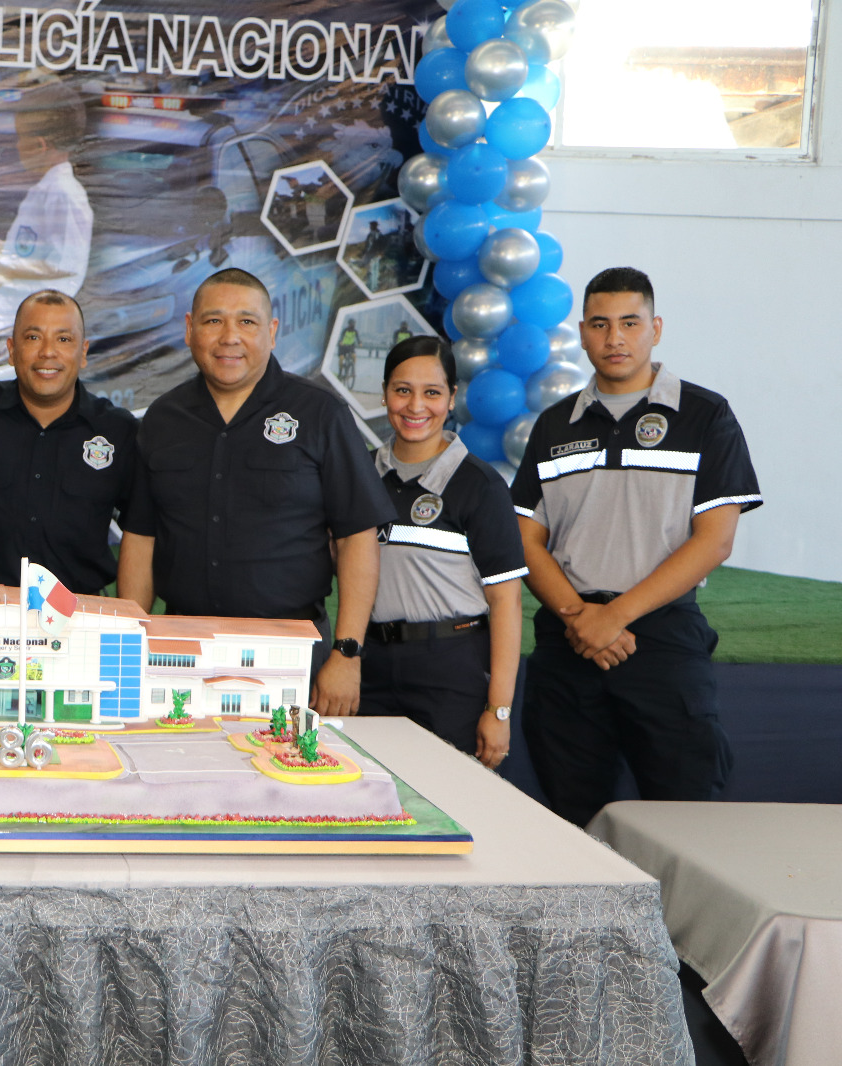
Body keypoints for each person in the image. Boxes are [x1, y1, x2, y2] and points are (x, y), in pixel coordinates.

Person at [512, 267, 761, 825]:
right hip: (568, 641)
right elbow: (525, 538)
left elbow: (716, 540)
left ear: (656, 328)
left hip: (662, 639)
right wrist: (583, 618)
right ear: (582, 333)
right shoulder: (554, 424)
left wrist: (614, 617)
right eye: (600, 324)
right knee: (573, 822)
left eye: (630, 322)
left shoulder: (705, 415)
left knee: (686, 821)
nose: (615, 338)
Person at [118, 268, 394, 719]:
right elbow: (141, 538)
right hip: (181, 649)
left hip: (291, 651)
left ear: (272, 331)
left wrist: (347, 653)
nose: (229, 337)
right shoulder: (162, 419)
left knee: (289, 763)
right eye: (213, 321)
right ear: (189, 329)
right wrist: (131, 641)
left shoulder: (320, 414)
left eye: (246, 321)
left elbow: (356, 538)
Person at [361, 337, 526, 768]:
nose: (416, 406)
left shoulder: (481, 485)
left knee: (447, 795)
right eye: (402, 390)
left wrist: (499, 710)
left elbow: (506, 601)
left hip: (451, 669)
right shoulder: (360, 474)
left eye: (432, 392)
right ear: (384, 392)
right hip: (371, 665)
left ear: (452, 398)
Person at [0, 289, 136, 594]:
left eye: (63, 339)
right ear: (12, 349)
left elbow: (142, 529)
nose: (48, 352)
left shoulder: (117, 430)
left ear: (83, 352)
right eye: (33, 337)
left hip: (81, 610)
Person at [0, 74, 94, 338]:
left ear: (39, 146)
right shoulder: (44, 190)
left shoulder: (64, 195)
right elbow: (37, 253)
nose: (16, 146)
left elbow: (62, 269)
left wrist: (4, 266)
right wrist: (1, 250)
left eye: (19, 138)